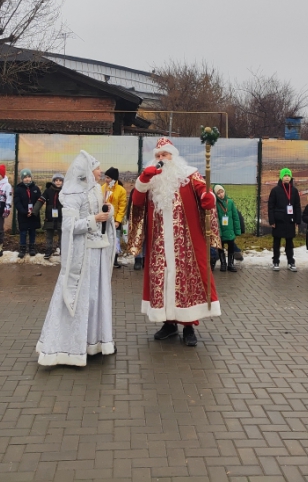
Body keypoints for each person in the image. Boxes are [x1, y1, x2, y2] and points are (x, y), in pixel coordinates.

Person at [126, 137, 220, 347]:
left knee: (185, 280)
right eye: (158, 156)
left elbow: (203, 191)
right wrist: (142, 181)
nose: (161, 159)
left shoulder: (188, 174)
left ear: (173, 156)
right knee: (163, 281)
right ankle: (168, 324)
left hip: (185, 242)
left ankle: (188, 327)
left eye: (165, 155)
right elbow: (137, 203)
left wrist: (208, 198)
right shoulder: (150, 180)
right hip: (159, 242)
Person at [36, 151, 116, 366]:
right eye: (97, 168)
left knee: (95, 297)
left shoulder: (96, 190)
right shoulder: (72, 195)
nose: (101, 171)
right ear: (88, 172)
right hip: (82, 256)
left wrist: (107, 213)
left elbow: (99, 216)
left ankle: (94, 342)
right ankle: (67, 347)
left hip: (96, 253)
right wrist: (93, 219)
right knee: (80, 298)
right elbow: (69, 226)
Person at [267, 168, 302, 272]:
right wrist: (272, 220)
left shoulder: (294, 191)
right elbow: (271, 206)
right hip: (278, 221)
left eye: (288, 175)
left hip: (290, 220)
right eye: (285, 175)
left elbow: (297, 206)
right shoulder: (275, 190)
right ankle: (276, 261)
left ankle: (291, 262)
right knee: (276, 242)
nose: (287, 177)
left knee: (289, 242)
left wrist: (297, 220)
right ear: (281, 177)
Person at [102, 167, 127, 268]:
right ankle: (105, 258)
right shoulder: (103, 188)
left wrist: (118, 221)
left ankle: (114, 259)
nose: (106, 180)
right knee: (105, 238)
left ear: (113, 178)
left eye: (108, 178)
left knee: (115, 239)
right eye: (105, 177)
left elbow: (122, 207)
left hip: (114, 220)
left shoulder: (121, 190)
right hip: (103, 219)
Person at [214, 185, 242, 273]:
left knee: (231, 246)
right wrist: (218, 231)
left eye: (222, 192)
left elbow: (235, 217)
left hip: (230, 229)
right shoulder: (215, 204)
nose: (221, 195)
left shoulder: (230, 202)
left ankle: (231, 264)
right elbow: (216, 218)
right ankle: (223, 264)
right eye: (218, 193)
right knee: (220, 247)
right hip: (221, 230)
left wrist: (237, 230)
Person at [35, 174, 64, 259]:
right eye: (56, 180)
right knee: (49, 236)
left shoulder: (65, 191)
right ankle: (48, 251)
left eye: (60, 180)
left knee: (62, 235)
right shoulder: (48, 191)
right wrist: (34, 211)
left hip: (61, 218)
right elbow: (40, 200)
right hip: (49, 217)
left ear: (63, 182)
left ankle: (63, 251)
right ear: (53, 181)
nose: (58, 182)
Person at [14, 169, 42, 257]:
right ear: (22, 179)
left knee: (32, 232)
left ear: (31, 177)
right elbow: (17, 202)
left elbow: (39, 201)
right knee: (23, 232)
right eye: (25, 177)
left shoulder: (36, 189)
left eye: (28, 177)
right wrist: (24, 212)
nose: (27, 179)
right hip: (23, 215)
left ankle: (32, 248)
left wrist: (33, 211)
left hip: (33, 215)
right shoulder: (18, 189)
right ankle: (22, 249)